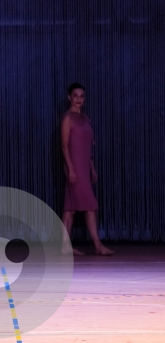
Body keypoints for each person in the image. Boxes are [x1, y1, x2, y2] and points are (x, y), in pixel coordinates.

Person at [60, 83, 113, 256]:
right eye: (75, 96)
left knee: (70, 208)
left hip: (83, 167)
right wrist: (71, 169)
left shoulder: (85, 119)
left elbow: (86, 147)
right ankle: (98, 245)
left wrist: (91, 167)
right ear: (69, 97)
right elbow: (65, 146)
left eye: (82, 96)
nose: (79, 99)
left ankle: (64, 246)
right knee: (90, 206)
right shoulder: (68, 118)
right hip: (74, 168)